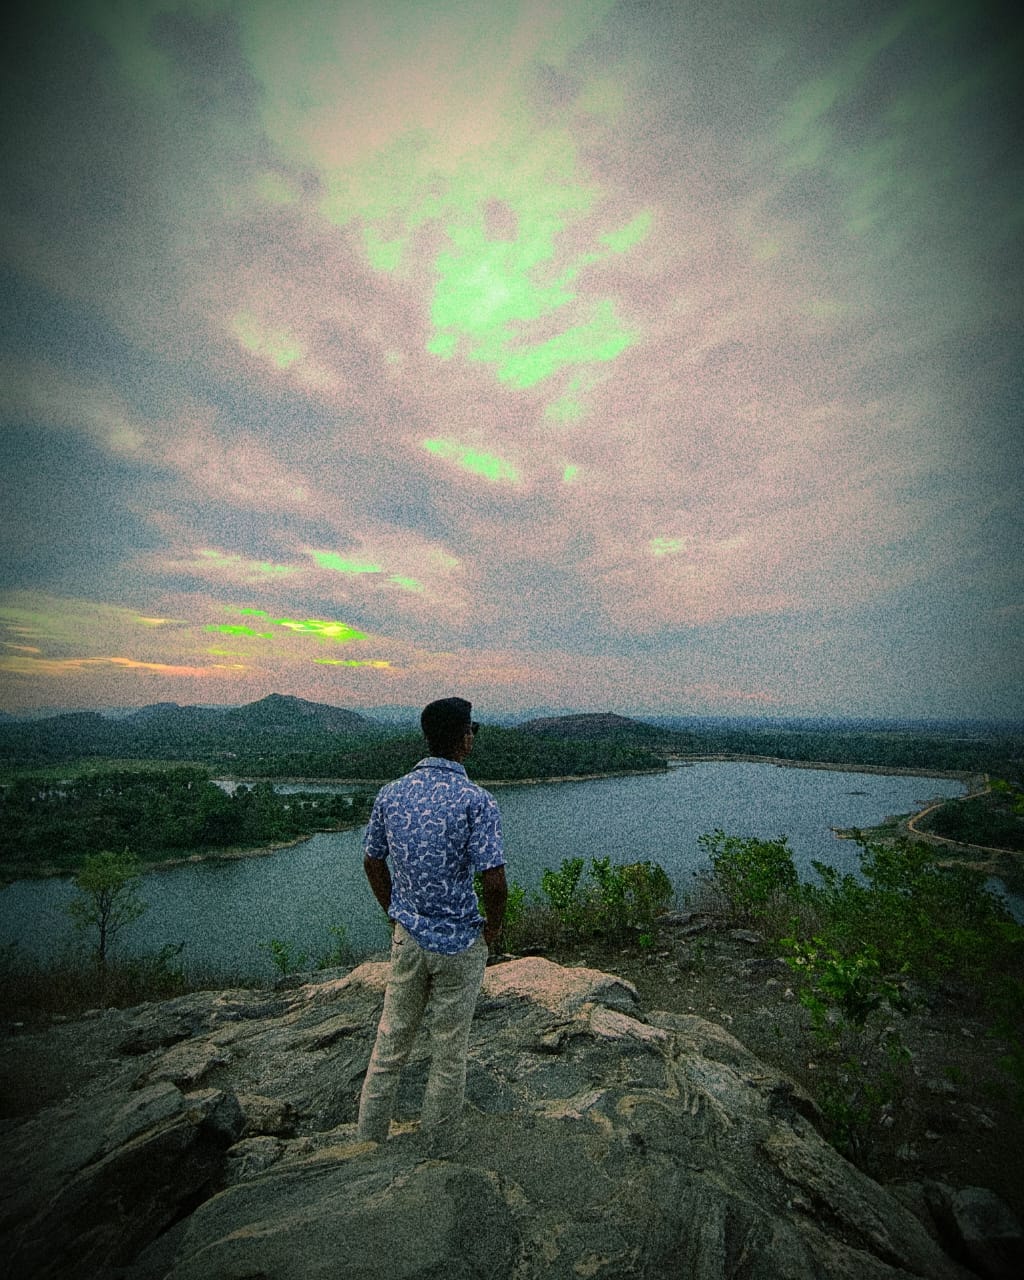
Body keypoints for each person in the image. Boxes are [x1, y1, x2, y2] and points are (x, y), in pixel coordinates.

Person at [356, 696, 507, 1150]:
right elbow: (494, 882)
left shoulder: (392, 793)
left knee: (389, 1046)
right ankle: (437, 1153)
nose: (473, 736)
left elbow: (372, 862)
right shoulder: (476, 800)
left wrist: (394, 911)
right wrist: (492, 933)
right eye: (471, 729)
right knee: (448, 1053)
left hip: (408, 938)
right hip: (460, 943)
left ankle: (366, 1146)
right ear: (463, 738)